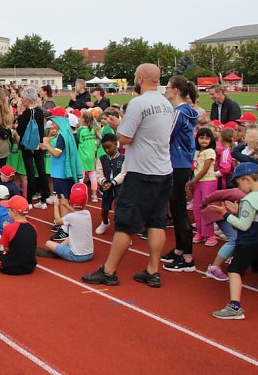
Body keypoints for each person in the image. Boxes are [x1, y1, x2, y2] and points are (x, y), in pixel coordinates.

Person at [82, 64, 174, 289]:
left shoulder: (138, 103)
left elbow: (124, 138)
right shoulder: (166, 103)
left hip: (141, 170)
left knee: (124, 223)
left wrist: (116, 124)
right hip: (163, 169)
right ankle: (153, 271)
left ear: (140, 77)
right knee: (156, 221)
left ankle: (109, 271)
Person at [207, 162, 258, 319]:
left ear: (247, 179)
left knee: (234, 270)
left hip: (247, 241)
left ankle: (235, 307)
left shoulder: (249, 200)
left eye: (239, 182)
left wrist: (225, 214)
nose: (239, 187)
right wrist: (239, 212)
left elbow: (243, 225)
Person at [160, 75, 201, 272]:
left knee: (179, 209)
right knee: (177, 208)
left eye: (168, 87)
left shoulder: (179, 113)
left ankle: (187, 257)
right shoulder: (187, 112)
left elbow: (166, 136)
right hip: (181, 163)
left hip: (177, 164)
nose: (166, 90)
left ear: (176, 90)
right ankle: (179, 249)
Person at [0, 195, 38, 274]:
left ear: (14, 212)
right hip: (30, 266)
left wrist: (5, 229)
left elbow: (6, 249)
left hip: (10, 267)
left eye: (8, 210)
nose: (7, 212)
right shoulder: (33, 227)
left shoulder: (9, 228)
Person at [16, 85, 50, 209]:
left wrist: (19, 116)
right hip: (38, 145)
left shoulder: (25, 113)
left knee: (30, 173)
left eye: (23, 98)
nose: (21, 100)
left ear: (28, 99)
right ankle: (44, 200)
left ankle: (29, 201)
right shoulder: (40, 112)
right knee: (41, 171)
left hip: (27, 146)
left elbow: (20, 130)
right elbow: (42, 130)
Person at [43, 184, 94, 262]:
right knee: (70, 238)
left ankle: (58, 251)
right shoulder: (88, 213)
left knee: (48, 243)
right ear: (86, 201)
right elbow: (76, 212)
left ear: (71, 200)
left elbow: (57, 221)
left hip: (76, 256)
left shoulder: (70, 217)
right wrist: (66, 206)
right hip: (90, 254)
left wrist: (56, 205)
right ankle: (59, 248)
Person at [94, 133, 125, 235]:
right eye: (104, 148)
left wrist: (113, 182)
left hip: (119, 188)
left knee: (119, 209)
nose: (107, 150)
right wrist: (104, 182)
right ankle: (105, 222)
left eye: (109, 147)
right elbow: (99, 173)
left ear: (116, 144)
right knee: (104, 209)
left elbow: (123, 173)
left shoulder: (123, 158)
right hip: (107, 187)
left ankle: (121, 230)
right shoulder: (102, 159)